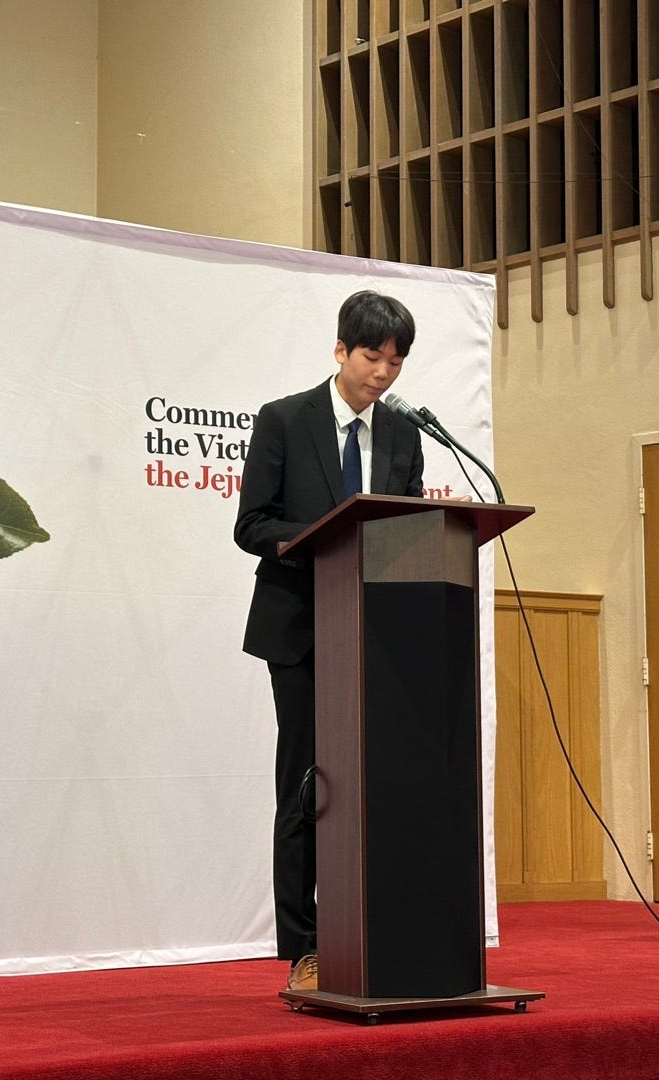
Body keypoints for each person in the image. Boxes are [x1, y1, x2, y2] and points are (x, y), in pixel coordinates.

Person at [234, 290, 425, 992]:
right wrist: (319, 538)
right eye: (373, 357)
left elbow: (407, 530)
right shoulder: (285, 419)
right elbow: (251, 524)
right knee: (307, 788)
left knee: (377, 788)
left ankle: (375, 934)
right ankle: (305, 947)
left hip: (377, 635)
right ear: (341, 350)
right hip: (301, 632)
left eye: (396, 362)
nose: (383, 373)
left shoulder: (403, 433)